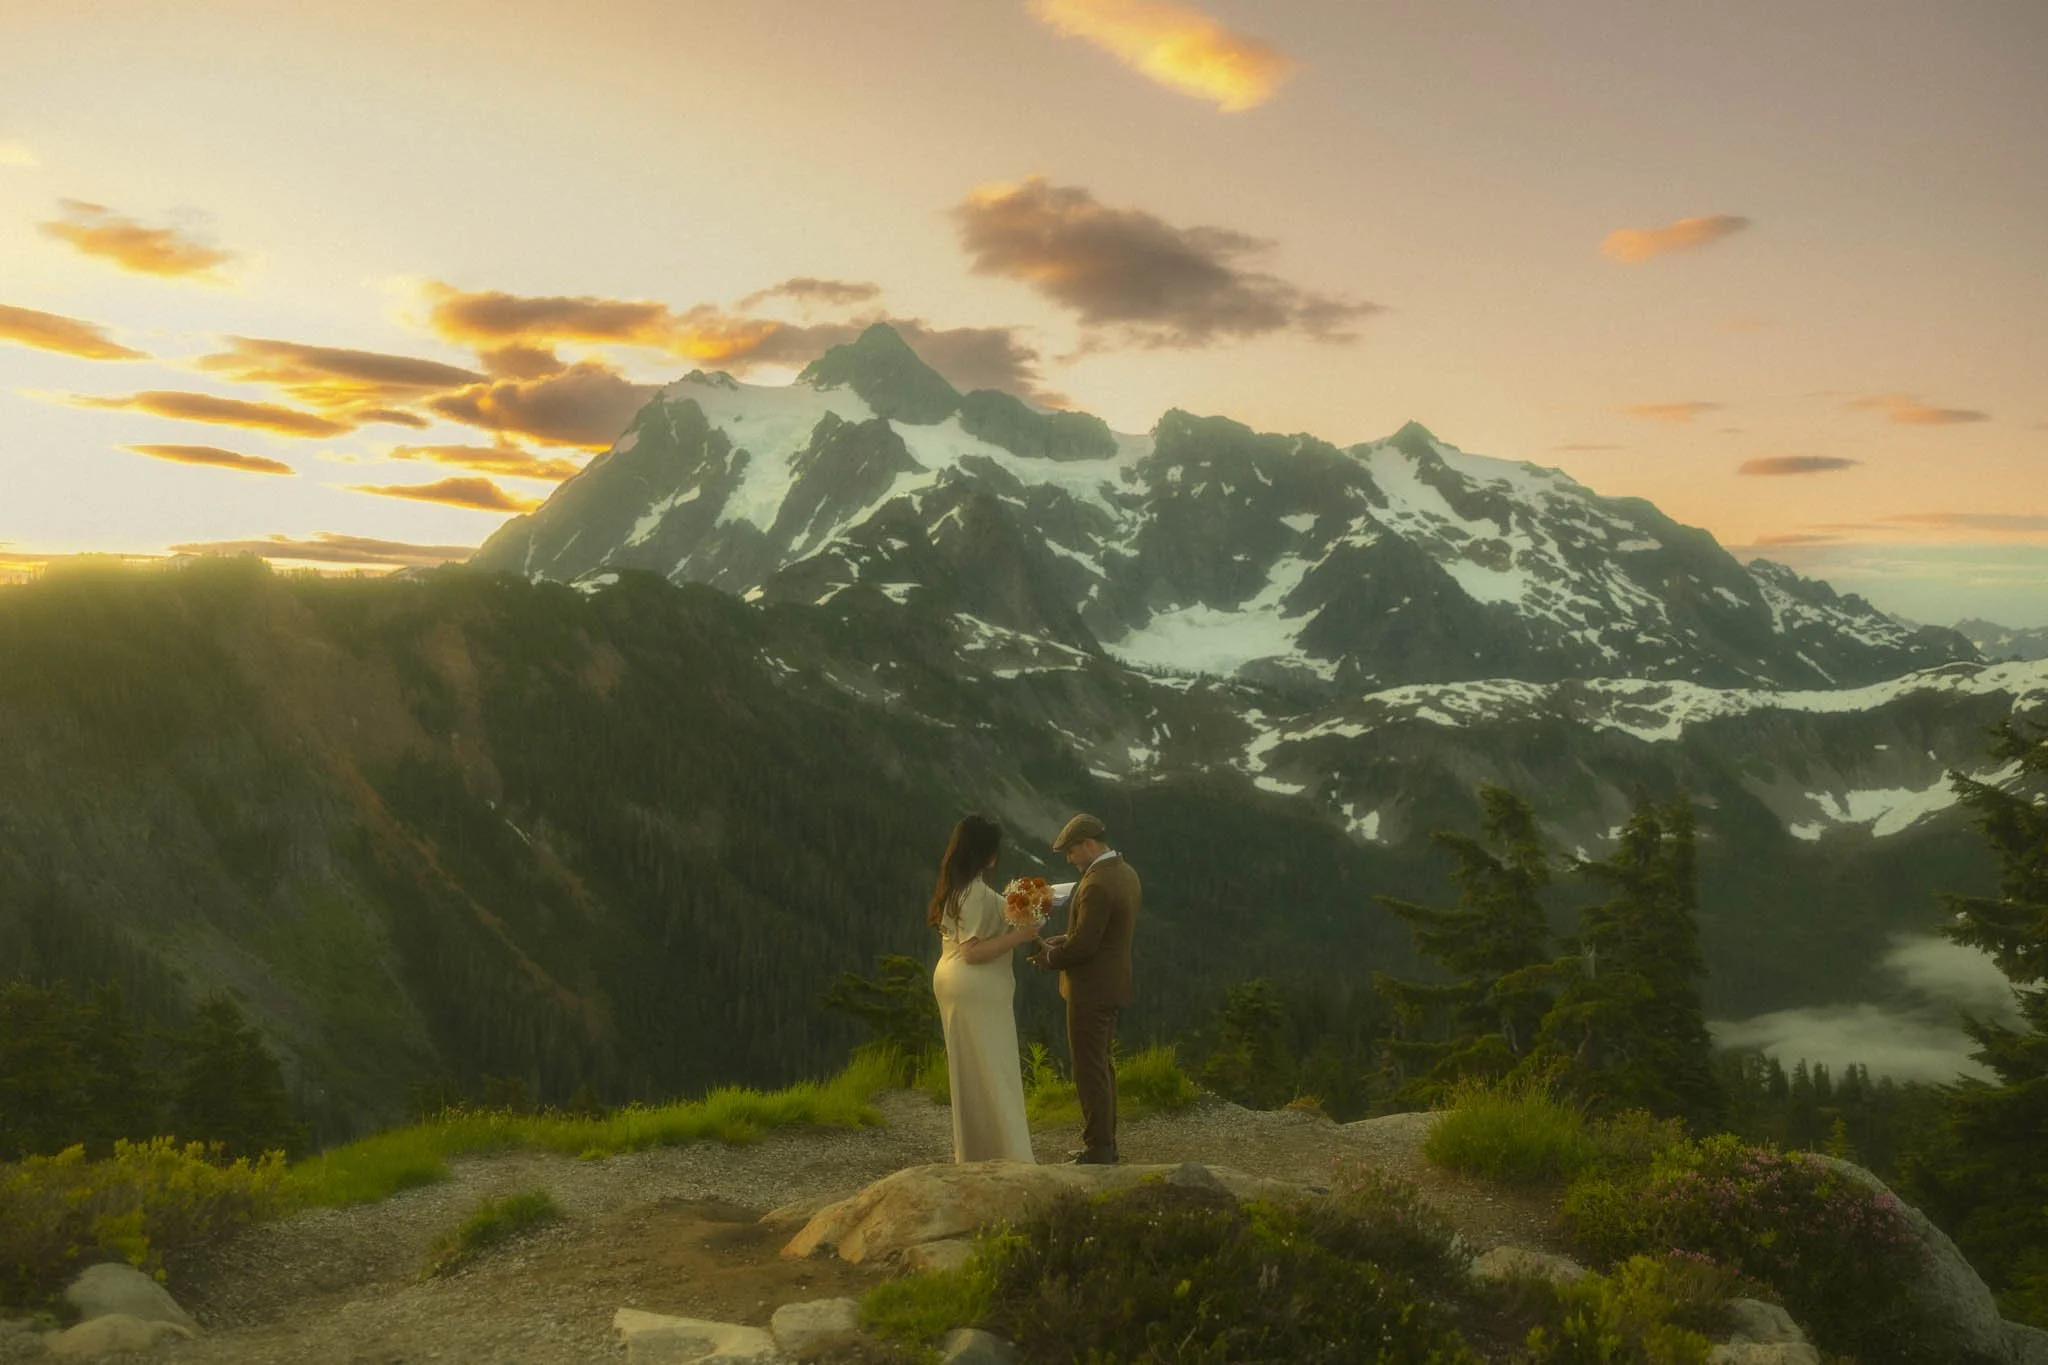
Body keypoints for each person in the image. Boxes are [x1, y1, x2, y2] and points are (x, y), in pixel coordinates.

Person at [928, 814, 1039, 1163]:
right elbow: (973, 951)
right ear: (987, 854)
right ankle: (1009, 1155)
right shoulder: (974, 892)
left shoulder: (957, 887)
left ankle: (975, 1153)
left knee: (972, 1073)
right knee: (996, 1069)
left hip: (951, 979)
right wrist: (1021, 936)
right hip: (975, 985)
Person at [1032, 813, 1139, 1165]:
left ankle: (1099, 1148)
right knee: (1102, 1065)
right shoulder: (1125, 873)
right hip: (1113, 983)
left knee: (1088, 1068)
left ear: (1089, 845)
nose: (1069, 859)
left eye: (1071, 851)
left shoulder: (1095, 884)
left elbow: (1085, 947)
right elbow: (1099, 935)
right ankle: (1106, 1142)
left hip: (1091, 990)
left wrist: (1048, 956)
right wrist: (1064, 939)